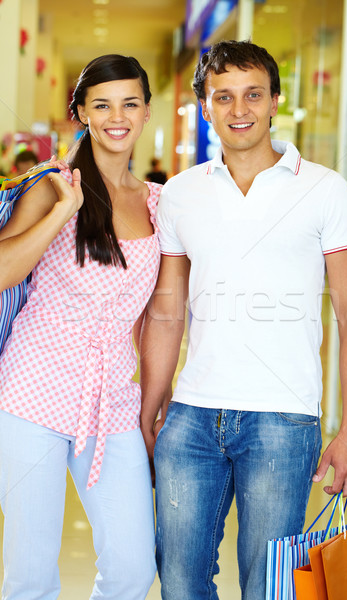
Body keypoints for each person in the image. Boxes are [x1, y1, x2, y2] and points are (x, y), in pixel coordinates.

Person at [140, 40, 347, 599]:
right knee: (179, 582)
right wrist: (153, 405)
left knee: (270, 588)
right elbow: (168, 310)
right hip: (193, 417)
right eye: (224, 97)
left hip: (283, 420)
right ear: (205, 107)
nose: (238, 109)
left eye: (252, 95)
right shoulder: (180, 194)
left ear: (275, 101)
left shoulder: (324, 189)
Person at [0, 54, 162, 599]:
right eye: (102, 104)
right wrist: (58, 214)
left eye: (130, 103)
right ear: (82, 114)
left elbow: (159, 317)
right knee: (31, 576)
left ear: (145, 113)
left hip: (112, 401)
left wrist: (153, 405)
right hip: (31, 398)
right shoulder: (52, 188)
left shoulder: (156, 204)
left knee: (133, 569)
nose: (117, 116)